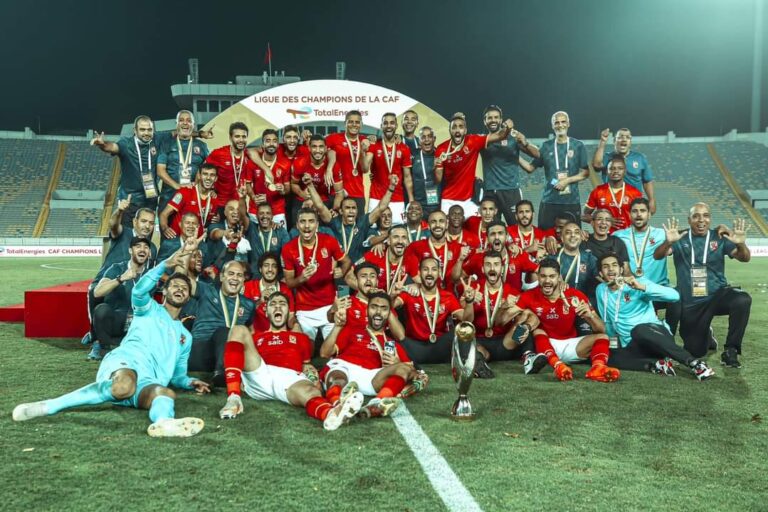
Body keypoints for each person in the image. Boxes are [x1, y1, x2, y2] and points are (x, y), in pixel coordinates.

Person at [13, 246, 211, 438]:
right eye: (175, 286)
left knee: (165, 393)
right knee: (124, 386)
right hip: (127, 362)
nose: (180, 289)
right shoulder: (148, 308)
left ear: (188, 298)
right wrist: (163, 266)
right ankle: (49, 406)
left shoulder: (185, 337)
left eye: (184, 288)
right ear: (164, 292)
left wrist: (189, 382)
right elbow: (139, 291)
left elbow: (177, 375)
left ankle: (164, 423)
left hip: (149, 381)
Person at [217, 292, 364, 430]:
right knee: (238, 330)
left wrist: (313, 378)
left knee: (311, 392)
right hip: (260, 372)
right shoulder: (256, 337)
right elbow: (242, 357)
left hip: (289, 378)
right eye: (273, 304)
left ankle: (332, 414)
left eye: (282, 304)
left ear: (288, 312)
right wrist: (240, 379)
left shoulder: (301, 338)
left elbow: (306, 365)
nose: (278, 307)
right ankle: (233, 398)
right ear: (266, 312)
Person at [654, 204, 752, 367]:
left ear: (710, 219)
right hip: (692, 303)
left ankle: (731, 350)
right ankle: (707, 335)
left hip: (718, 295)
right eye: (696, 216)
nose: (701, 220)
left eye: (705, 215)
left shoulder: (719, 237)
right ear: (689, 220)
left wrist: (741, 244)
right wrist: (668, 242)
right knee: (696, 351)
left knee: (742, 300)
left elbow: (745, 258)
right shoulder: (680, 237)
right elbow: (658, 256)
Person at [595, 253, 714, 379]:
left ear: (621, 269)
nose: (611, 269)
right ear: (601, 273)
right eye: (606, 267)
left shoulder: (637, 283)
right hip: (632, 345)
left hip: (655, 336)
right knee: (606, 356)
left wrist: (642, 287)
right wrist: (612, 344)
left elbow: (674, 296)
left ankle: (695, 364)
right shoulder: (601, 290)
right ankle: (656, 365)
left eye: (614, 265)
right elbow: (608, 322)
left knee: (638, 330)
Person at [321, 291, 426, 417]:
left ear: (389, 314)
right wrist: (337, 327)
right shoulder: (352, 330)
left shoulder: (391, 344)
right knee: (338, 375)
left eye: (384, 309)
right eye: (374, 307)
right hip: (346, 368)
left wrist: (397, 363)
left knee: (403, 367)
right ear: (367, 310)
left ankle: (376, 404)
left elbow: (413, 373)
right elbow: (324, 353)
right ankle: (337, 405)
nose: (378, 312)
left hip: (372, 378)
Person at [515, 259, 620, 382]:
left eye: (552, 276)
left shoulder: (575, 295)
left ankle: (598, 368)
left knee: (603, 337)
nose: (547, 280)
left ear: (559, 277)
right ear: (538, 276)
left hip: (571, 345)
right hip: (544, 347)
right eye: (543, 276)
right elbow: (515, 328)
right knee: (538, 331)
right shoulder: (528, 296)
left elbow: (602, 329)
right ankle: (558, 366)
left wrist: (590, 317)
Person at [83, 200, 157, 356]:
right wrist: (119, 211)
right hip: (109, 277)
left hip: (129, 286)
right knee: (94, 292)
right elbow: (113, 225)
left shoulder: (152, 248)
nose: (147, 226)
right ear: (135, 222)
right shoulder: (124, 233)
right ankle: (95, 338)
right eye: (144, 221)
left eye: (151, 223)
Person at [282, 208, 352, 341]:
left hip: (330, 305)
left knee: (334, 347)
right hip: (305, 309)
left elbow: (347, 261)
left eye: (311, 221)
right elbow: (289, 283)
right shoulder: (288, 248)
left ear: (317, 225)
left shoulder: (329, 241)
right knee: (305, 348)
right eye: (303, 221)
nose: (307, 226)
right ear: (297, 225)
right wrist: (301, 278)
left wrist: (342, 271)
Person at [613, 198, 678, 333]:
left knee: (678, 299)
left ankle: (669, 333)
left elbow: (681, 243)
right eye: (635, 211)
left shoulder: (662, 234)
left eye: (642, 211)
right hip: (633, 290)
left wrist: (720, 229)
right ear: (629, 214)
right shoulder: (618, 236)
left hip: (658, 288)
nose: (638, 214)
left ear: (649, 214)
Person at [435, 112, 513, 218]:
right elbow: (438, 180)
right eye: (454, 127)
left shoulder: (473, 141)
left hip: (470, 201)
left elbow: (501, 135)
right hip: (449, 200)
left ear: (465, 130)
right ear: (450, 130)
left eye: (461, 127)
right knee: (447, 228)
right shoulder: (442, 149)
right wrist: (437, 166)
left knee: (478, 227)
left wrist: (508, 128)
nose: (457, 130)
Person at [392, 257, 469, 364]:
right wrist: (393, 295)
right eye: (425, 269)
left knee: (463, 330)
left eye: (434, 269)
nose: (429, 273)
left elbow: (466, 319)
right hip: (415, 347)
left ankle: (469, 365)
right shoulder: (409, 293)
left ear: (439, 273)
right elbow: (389, 306)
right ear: (419, 273)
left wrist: (469, 303)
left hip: (439, 347)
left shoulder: (448, 297)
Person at [307, 173, 397, 264]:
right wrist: (310, 185)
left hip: (357, 267)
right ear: (341, 211)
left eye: (354, 208)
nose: (351, 211)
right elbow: (320, 206)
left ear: (357, 211)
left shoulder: (362, 222)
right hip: (338, 266)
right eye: (347, 208)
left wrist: (391, 188)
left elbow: (381, 207)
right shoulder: (334, 222)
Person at [189, 260, 256, 381]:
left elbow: (251, 331)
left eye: (239, 275)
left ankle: (226, 370)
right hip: (200, 352)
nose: (235, 278)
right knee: (225, 331)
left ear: (243, 280)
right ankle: (223, 373)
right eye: (231, 273)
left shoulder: (249, 304)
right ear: (221, 277)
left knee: (232, 334)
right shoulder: (206, 290)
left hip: (230, 355)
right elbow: (183, 282)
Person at [91, 116, 160, 222]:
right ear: (135, 130)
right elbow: (113, 147)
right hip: (129, 200)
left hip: (150, 200)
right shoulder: (126, 144)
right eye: (142, 129)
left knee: (146, 231)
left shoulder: (157, 141)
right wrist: (102, 144)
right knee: (126, 231)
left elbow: (175, 135)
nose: (146, 133)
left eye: (149, 130)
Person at [479, 105, 540, 225]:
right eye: (489, 118)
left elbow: (537, 154)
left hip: (511, 190)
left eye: (496, 117)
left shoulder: (513, 137)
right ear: (484, 121)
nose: (493, 120)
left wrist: (525, 143)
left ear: (501, 120)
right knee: (491, 228)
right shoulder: (482, 140)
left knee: (516, 226)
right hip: (490, 191)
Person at [92, 237, 152, 354]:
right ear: (130, 250)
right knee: (101, 310)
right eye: (138, 246)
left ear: (149, 252)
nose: (142, 249)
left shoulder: (151, 274)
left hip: (139, 323)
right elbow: (97, 292)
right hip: (118, 320)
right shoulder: (117, 268)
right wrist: (121, 278)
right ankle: (105, 348)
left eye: (146, 247)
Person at [530, 111, 589, 230]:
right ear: (552, 126)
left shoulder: (578, 145)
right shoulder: (546, 146)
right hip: (549, 200)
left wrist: (566, 180)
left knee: (573, 235)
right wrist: (515, 156)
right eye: (556, 122)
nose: (560, 125)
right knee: (545, 235)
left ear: (568, 124)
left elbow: (585, 173)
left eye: (563, 122)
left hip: (571, 201)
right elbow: (530, 168)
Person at [452, 222, 539, 293]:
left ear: (506, 236)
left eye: (500, 233)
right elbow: (456, 279)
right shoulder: (479, 257)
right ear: (487, 238)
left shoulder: (517, 254)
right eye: (493, 234)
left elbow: (539, 270)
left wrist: (528, 297)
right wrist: (460, 260)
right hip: (486, 303)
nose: (497, 237)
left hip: (512, 304)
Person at [156, 110, 209, 213]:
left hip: (192, 197)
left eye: (189, 120)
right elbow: (160, 170)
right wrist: (178, 186)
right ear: (176, 124)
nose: (185, 123)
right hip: (169, 197)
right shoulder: (167, 144)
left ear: (193, 124)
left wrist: (198, 184)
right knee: (165, 221)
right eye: (181, 120)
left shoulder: (202, 146)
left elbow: (208, 170)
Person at [593, 128, 656, 214]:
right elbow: (596, 165)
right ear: (614, 141)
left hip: (634, 205)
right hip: (612, 204)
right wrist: (603, 141)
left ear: (630, 142)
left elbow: (647, 181)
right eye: (620, 137)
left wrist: (651, 200)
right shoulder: (607, 157)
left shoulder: (640, 158)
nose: (624, 139)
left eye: (627, 137)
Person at [364, 112, 413, 222]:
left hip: (397, 198)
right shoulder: (374, 146)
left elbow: (407, 177)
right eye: (385, 123)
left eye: (392, 123)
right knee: (373, 227)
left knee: (398, 228)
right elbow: (365, 168)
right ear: (381, 126)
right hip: (376, 197)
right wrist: (364, 148)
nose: (389, 126)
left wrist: (411, 199)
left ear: (396, 125)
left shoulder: (404, 148)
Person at [583, 155, 643, 233]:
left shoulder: (635, 193)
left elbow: (641, 216)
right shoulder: (598, 191)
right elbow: (584, 216)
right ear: (607, 171)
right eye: (612, 168)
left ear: (625, 171)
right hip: (605, 236)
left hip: (627, 236)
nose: (616, 171)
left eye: (620, 168)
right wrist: (605, 220)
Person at [159, 162, 219, 239]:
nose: (208, 178)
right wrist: (165, 228)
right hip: (177, 240)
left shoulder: (214, 199)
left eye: (212, 175)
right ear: (199, 176)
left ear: (216, 178)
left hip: (196, 241)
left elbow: (208, 220)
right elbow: (164, 214)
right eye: (205, 174)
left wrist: (217, 218)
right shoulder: (185, 192)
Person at [404, 210, 462, 287]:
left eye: (441, 221)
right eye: (433, 222)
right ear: (428, 226)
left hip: (451, 293)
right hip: (425, 291)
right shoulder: (415, 247)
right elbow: (414, 276)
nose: (437, 225)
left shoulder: (458, 248)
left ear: (447, 224)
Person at [325, 110, 369, 214]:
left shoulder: (364, 141)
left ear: (361, 124)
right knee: (335, 223)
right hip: (336, 192)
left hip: (357, 193)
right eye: (350, 122)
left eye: (357, 122)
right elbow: (318, 148)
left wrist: (362, 152)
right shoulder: (333, 138)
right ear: (345, 123)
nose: (354, 124)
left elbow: (365, 169)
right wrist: (329, 168)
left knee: (358, 224)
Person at [246, 129, 291, 226]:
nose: (271, 144)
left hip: (277, 210)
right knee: (254, 235)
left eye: (274, 141)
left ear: (278, 145)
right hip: (256, 209)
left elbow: (287, 188)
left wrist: (283, 190)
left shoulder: (285, 163)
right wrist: (253, 197)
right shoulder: (252, 162)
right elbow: (247, 184)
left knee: (281, 235)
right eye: (268, 141)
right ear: (262, 145)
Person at [205, 122, 258, 205]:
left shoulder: (250, 156)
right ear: (230, 138)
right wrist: (209, 190)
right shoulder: (218, 153)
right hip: (220, 203)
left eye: (244, 137)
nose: (241, 140)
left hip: (240, 203)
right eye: (237, 136)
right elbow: (202, 173)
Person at [292, 134, 344, 218]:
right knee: (296, 221)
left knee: (330, 221)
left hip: (324, 200)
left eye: (321, 147)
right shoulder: (300, 162)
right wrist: (302, 194)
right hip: (303, 199)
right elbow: (293, 184)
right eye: (314, 147)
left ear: (326, 148)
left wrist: (335, 209)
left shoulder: (334, 166)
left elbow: (339, 193)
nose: (317, 150)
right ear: (309, 148)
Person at [243, 251, 297, 332]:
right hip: (255, 334)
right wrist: (259, 302)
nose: (270, 269)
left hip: (279, 334)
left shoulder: (285, 289)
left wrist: (296, 324)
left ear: (277, 270)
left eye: (274, 266)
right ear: (260, 269)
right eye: (266, 265)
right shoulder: (248, 286)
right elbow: (242, 316)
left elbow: (290, 317)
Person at [242, 202, 291, 279]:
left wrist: (285, 277)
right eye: (261, 213)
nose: (265, 216)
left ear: (272, 216)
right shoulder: (251, 228)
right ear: (256, 216)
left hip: (275, 276)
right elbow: (242, 214)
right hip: (255, 277)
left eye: (268, 213)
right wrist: (242, 198)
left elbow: (287, 257)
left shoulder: (281, 232)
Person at [358, 225, 409, 294]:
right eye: (396, 237)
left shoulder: (412, 260)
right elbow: (350, 275)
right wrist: (367, 291)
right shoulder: (376, 254)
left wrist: (416, 286)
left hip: (393, 299)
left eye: (404, 237)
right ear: (388, 241)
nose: (400, 241)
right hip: (370, 299)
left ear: (408, 242)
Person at [555, 221, 599, 304]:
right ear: (562, 238)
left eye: (577, 232)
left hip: (581, 303)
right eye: (568, 232)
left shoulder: (588, 258)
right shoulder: (553, 257)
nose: (573, 235)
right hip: (556, 303)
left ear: (581, 237)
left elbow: (601, 278)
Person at [408, 127, 441, 217]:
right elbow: (407, 178)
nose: (426, 139)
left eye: (430, 136)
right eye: (423, 137)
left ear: (434, 139)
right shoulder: (413, 156)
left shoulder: (440, 155)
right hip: (418, 206)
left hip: (437, 205)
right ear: (419, 141)